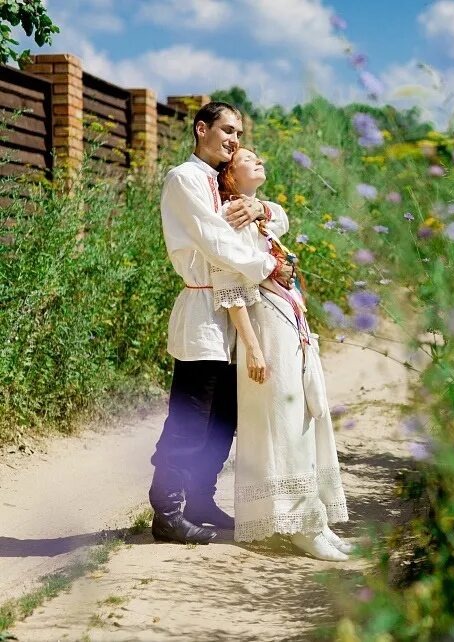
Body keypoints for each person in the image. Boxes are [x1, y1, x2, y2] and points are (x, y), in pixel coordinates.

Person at [150, 102, 295, 545]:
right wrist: (269, 267)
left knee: (225, 418)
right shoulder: (185, 179)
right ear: (202, 129)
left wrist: (261, 209)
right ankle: (167, 511)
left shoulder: (220, 181)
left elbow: (279, 218)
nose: (234, 140)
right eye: (228, 130)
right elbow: (216, 242)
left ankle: (200, 498)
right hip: (203, 313)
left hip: (236, 311)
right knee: (191, 418)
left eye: (238, 133)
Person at [213, 146, 351, 561]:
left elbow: (281, 216)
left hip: (289, 325)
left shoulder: (260, 217)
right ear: (230, 175)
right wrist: (253, 349)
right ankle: (299, 525)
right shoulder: (230, 219)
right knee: (283, 423)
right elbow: (231, 288)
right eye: (248, 159)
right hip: (266, 332)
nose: (260, 161)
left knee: (304, 417)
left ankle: (314, 520)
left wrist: (261, 208)